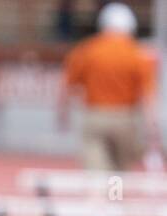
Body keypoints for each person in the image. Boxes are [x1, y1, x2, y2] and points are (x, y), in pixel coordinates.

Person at [59, 2, 161, 172]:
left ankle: (98, 196)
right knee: (118, 175)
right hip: (126, 119)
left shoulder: (86, 51)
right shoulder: (138, 55)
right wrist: (152, 130)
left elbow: (66, 86)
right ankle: (115, 196)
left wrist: (62, 114)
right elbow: (148, 97)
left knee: (96, 173)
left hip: (95, 117)